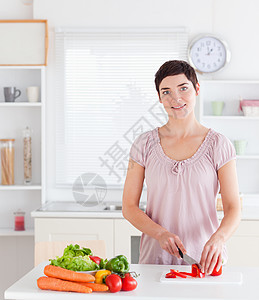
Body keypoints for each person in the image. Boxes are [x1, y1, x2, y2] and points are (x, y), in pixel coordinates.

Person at [122, 60, 241, 275]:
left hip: (205, 262)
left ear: (196, 89)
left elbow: (234, 208)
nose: (175, 98)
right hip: (155, 261)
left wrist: (219, 238)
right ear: (159, 98)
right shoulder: (143, 144)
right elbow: (129, 207)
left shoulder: (219, 145)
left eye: (183, 88)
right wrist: (159, 234)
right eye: (166, 91)